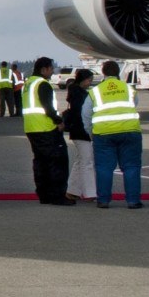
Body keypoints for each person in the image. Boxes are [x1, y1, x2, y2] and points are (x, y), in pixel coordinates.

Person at [86, 60, 144, 208]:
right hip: (130, 130)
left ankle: (103, 200)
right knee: (131, 166)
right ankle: (133, 201)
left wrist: (90, 131)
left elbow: (85, 114)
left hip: (103, 133)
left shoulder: (95, 91)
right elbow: (135, 103)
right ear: (118, 72)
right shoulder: (128, 88)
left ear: (103, 72)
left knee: (104, 167)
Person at [19, 56, 72, 204]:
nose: (52, 71)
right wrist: (59, 121)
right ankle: (57, 196)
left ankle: (44, 195)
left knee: (40, 163)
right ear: (44, 69)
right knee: (57, 162)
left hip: (31, 128)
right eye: (51, 68)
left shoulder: (28, 83)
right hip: (46, 128)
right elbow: (47, 107)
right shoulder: (43, 84)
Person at [63, 67, 96, 201]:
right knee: (87, 162)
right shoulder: (80, 94)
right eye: (89, 80)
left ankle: (72, 190)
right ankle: (90, 192)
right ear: (83, 80)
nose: (90, 83)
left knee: (81, 161)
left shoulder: (75, 92)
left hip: (77, 131)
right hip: (81, 131)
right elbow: (81, 114)